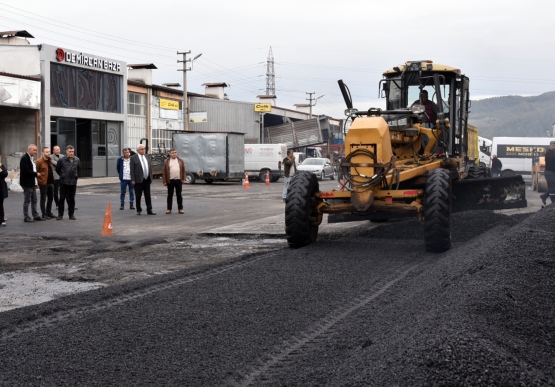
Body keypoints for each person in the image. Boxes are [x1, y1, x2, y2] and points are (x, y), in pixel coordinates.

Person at [20, 144, 43, 222]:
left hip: (32, 182)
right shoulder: (24, 158)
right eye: (34, 150)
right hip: (27, 183)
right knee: (27, 200)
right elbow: (26, 171)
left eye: (36, 150)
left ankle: (35, 215)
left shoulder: (31, 158)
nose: (36, 152)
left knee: (34, 199)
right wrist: (36, 174)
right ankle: (26, 216)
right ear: (29, 150)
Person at [130, 144, 156, 215]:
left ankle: (149, 209)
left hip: (147, 179)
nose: (143, 150)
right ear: (137, 150)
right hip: (138, 179)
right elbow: (132, 169)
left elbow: (149, 168)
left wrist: (151, 177)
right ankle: (139, 209)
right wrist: (133, 179)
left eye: (144, 149)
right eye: (141, 149)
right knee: (138, 195)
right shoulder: (133, 158)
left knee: (148, 195)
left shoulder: (147, 156)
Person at [56, 145, 80, 220]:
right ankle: (60, 214)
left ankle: (71, 214)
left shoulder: (77, 159)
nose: (71, 153)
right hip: (64, 182)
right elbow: (57, 169)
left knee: (72, 199)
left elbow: (78, 169)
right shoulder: (61, 160)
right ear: (66, 151)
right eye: (70, 151)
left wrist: (75, 176)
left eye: (72, 151)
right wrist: (63, 175)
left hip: (73, 182)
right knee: (62, 198)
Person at [162, 148, 186, 214]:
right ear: (170, 154)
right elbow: (164, 172)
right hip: (170, 181)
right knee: (170, 195)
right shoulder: (166, 161)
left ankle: (180, 208)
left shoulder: (181, 161)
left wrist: (184, 179)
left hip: (178, 180)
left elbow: (184, 170)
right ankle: (169, 209)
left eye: (175, 152)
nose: (174, 154)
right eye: (172, 153)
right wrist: (164, 181)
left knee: (179, 195)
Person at [35, 147, 56, 219]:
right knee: (43, 198)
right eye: (47, 152)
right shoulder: (39, 161)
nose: (49, 153)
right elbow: (35, 171)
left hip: (50, 182)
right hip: (43, 183)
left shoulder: (50, 161)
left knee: (50, 198)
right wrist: (38, 180)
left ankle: (48, 212)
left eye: (49, 152)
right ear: (43, 153)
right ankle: (44, 214)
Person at [540, 140, 555, 205]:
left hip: (553, 172)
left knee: (553, 186)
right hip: (549, 172)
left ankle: (544, 196)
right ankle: (553, 202)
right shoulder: (549, 153)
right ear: (550, 146)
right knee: (552, 187)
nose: (554, 147)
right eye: (553, 145)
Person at [50, 145, 61, 210]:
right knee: (55, 191)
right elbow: (55, 163)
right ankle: (57, 204)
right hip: (55, 176)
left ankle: (70, 204)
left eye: (59, 149)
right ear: (53, 151)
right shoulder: (51, 157)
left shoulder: (62, 156)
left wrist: (58, 162)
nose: (58, 151)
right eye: (56, 150)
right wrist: (59, 162)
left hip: (62, 175)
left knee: (64, 191)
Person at [0, 155, 8, 227]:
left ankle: (2, 219)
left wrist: (1, 170)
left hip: (1, 188)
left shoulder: (2, 166)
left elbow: (5, 174)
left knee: (1, 204)